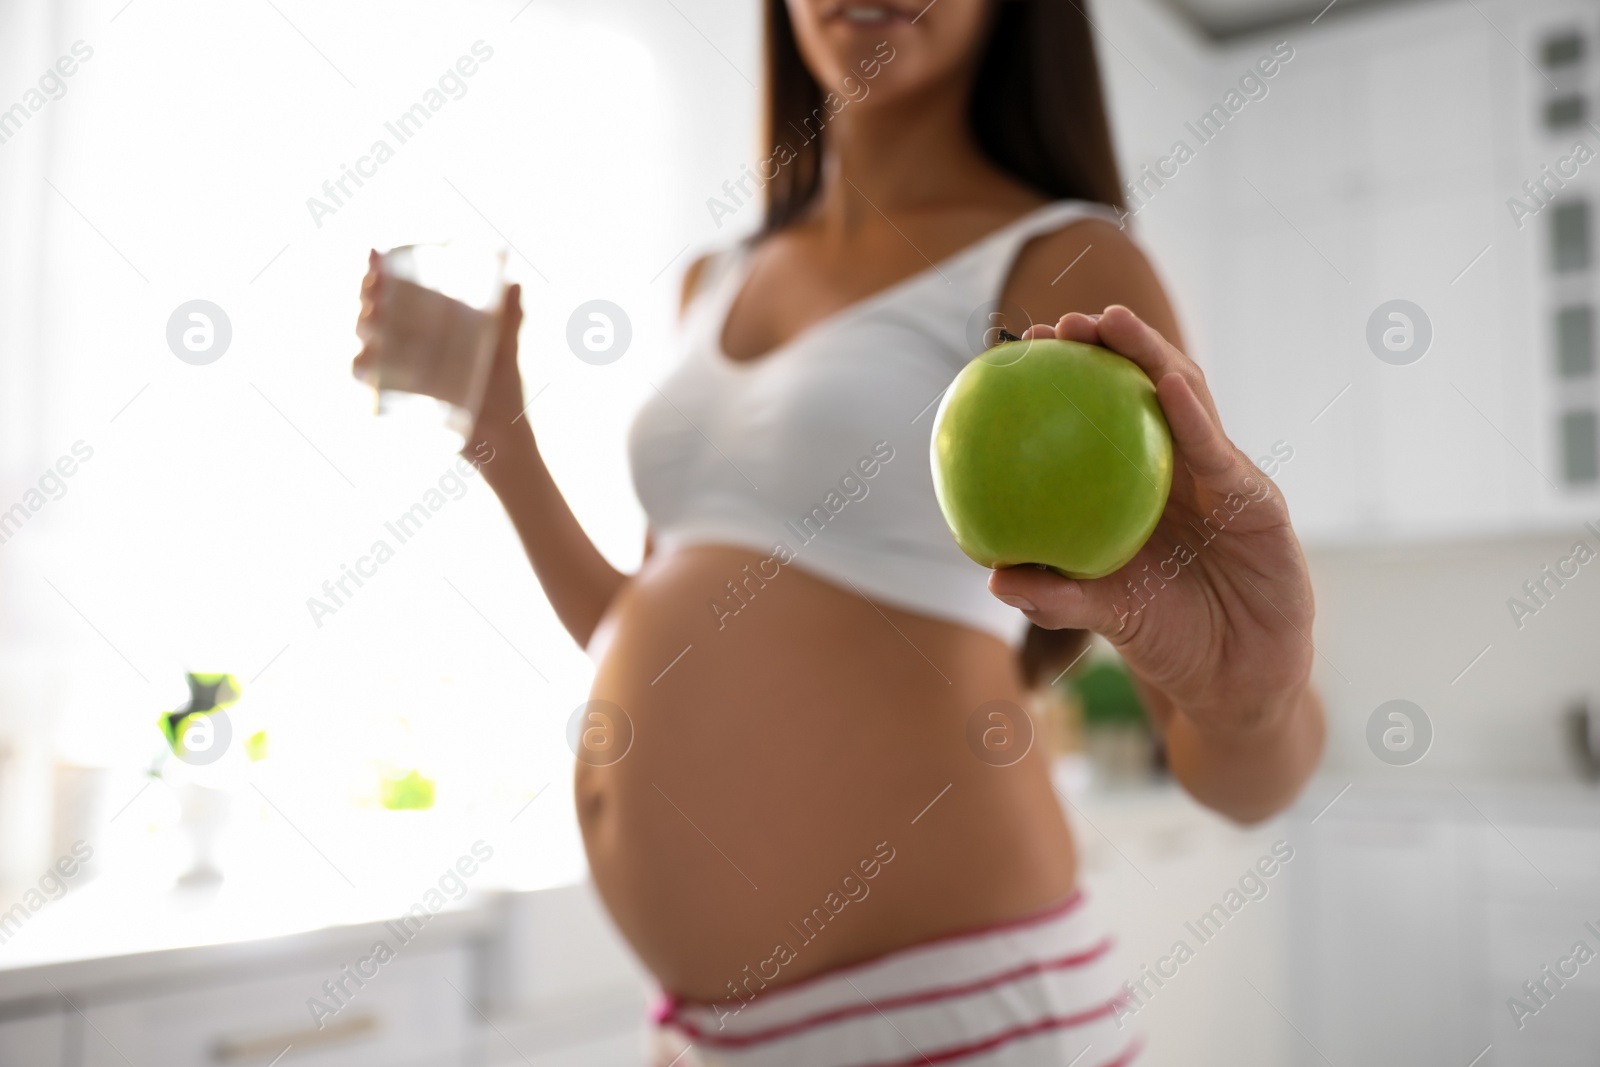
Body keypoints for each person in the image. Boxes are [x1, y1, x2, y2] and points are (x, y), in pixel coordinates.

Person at [357, 1, 1324, 1063]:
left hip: (953, 1015)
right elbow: (642, 624)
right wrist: (503, 443)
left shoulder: (1063, 262)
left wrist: (1249, 700)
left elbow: (1246, 782)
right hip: (710, 1037)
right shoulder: (711, 277)